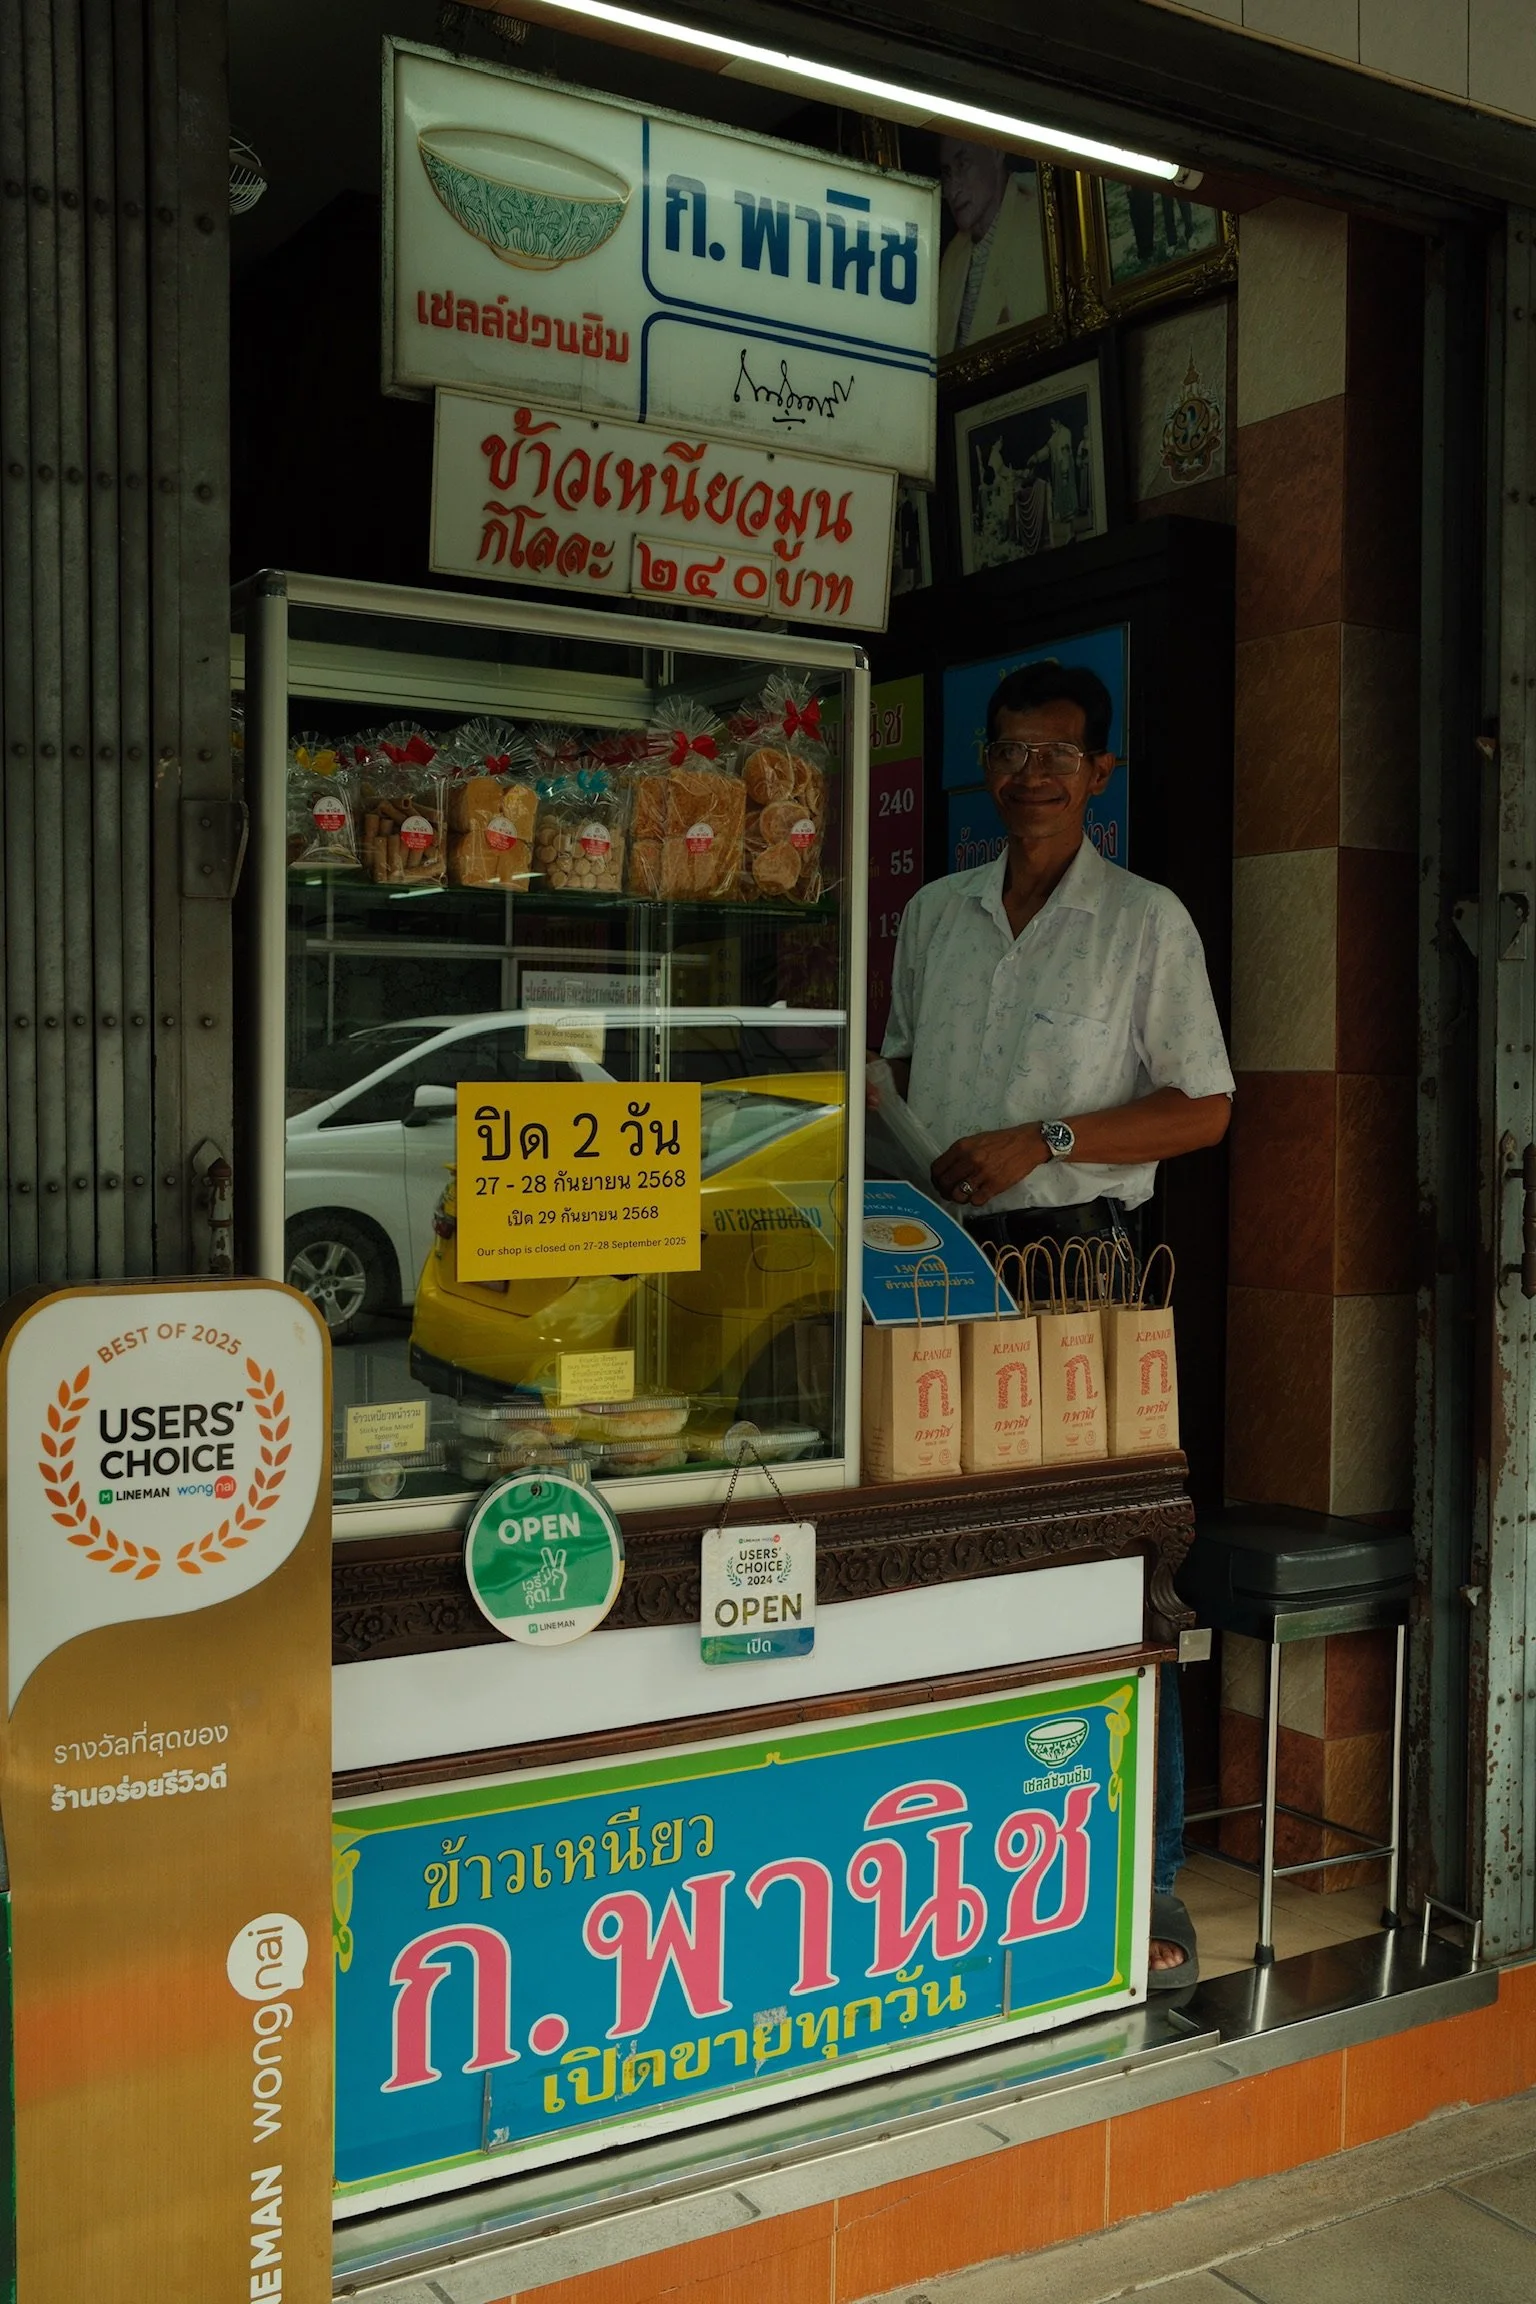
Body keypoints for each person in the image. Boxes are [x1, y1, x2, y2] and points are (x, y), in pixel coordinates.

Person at [877, 660, 1234, 1985]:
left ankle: (1149, 1885)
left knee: (1120, 1553)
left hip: (1085, 1271)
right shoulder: (934, 913)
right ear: (986, 764)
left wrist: (1048, 1139)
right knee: (948, 1541)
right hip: (941, 1263)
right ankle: (976, 1849)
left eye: (1059, 754)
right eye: (1012, 750)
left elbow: (1204, 1107)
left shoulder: (1146, 921)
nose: (1032, 773)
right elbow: (903, 1073)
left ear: (1102, 776)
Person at [937, 140, 1048, 354]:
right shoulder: (953, 255)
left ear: (997, 152)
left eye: (963, 164)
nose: (952, 189)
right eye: (947, 173)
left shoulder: (1039, 225)